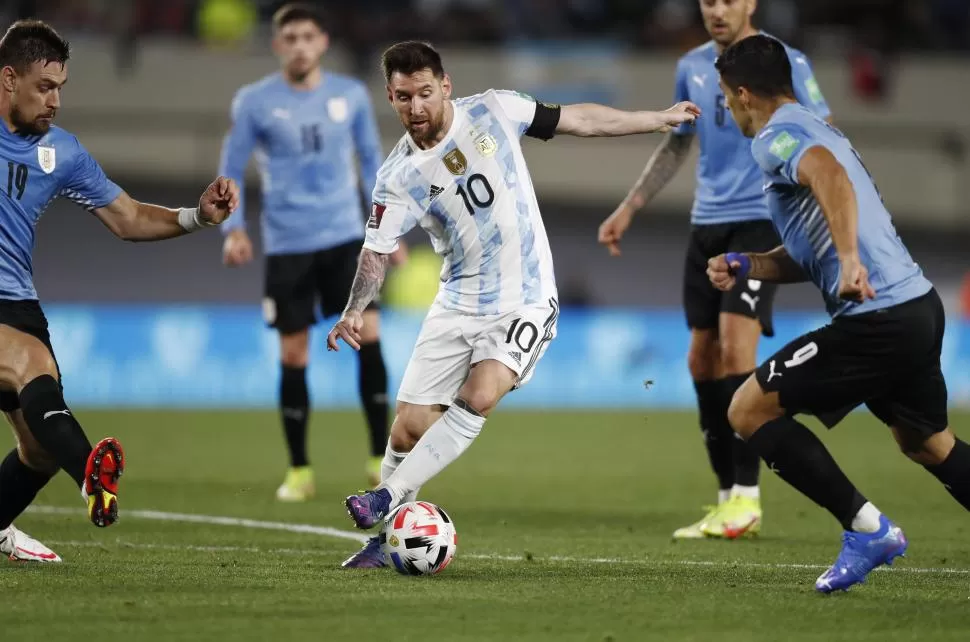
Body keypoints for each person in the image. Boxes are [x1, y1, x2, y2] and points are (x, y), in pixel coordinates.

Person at [327, 40, 700, 569]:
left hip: (525, 296)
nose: (416, 108)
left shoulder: (495, 109)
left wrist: (655, 117)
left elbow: (581, 120)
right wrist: (354, 308)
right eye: (404, 97)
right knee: (407, 428)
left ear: (446, 86)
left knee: (480, 394)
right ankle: (381, 543)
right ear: (390, 95)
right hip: (457, 300)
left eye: (426, 93)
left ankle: (385, 500)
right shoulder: (397, 179)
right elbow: (376, 252)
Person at [708, 34, 968, 593]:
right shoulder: (816, 125)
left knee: (747, 410)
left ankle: (867, 529)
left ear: (745, 94)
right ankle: (869, 527)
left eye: (728, 98)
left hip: (877, 318)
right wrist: (749, 262)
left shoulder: (777, 138)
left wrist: (850, 261)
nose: (729, 109)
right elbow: (813, 243)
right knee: (927, 443)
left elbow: (828, 175)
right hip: (916, 309)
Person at [0, 20, 238, 562]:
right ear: (9, 79)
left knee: (36, 451)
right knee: (26, 361)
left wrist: (196, 217)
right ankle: (91, 477)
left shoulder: (62, 153)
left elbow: (128, 218)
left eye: (61, 87)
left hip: (17, 300)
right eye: (44, 87)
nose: (56, 100)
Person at [597, 0, 831, 540]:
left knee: (734, 348)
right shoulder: (693, 66)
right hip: (706, 226)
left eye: (728, 0)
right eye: (707, 1)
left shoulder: (784, 60)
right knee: (701, 360)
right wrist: (629, 207)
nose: (717, 10)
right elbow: (677, 145)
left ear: (750, 3)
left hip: (759, 223)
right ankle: (727, 493)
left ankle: (747, 497)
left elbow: (824, 130)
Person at [219, 3, 400, 500]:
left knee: (371, 337)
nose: (299, 45)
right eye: (290, 38)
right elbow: (230, 166)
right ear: (279, 45)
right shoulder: (254, 101)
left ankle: (378, 459)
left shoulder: (351, 94)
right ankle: (299, 469)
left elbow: (371, 162)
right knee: (293, 354)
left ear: (322, 42)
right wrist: (232, 228)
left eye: (308, 37)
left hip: (346, 239)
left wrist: (390, 230)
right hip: (288, 245)